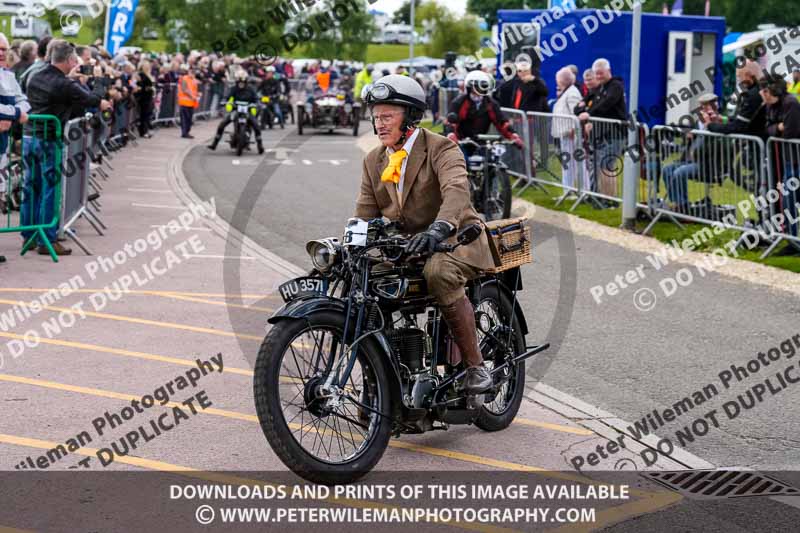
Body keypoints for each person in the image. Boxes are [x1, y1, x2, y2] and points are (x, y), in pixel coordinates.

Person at [357, 75, 496, 394]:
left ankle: (476, 368)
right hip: (409, 247)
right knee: (361, 280)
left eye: (387, 116)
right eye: (376, 116)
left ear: (410, 117)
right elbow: (364, 212)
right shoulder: (374, 160)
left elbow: (457, 191)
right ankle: (380, 377)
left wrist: (441, 227)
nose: (379, 123)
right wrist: (350, 244)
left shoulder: (441, 148)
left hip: (456, 238)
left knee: (438, 273)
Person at [23, 39, 112, 256]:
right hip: (49, 140)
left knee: (30, 187)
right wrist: (100, 79)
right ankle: (47, 239)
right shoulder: (64, 84)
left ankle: (29, 236)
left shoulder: (35, 74)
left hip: (29, 137)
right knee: (50, 189)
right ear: (70, 60)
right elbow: (93, 100)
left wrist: (70, 79)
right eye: (74, 60)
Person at [576, 58, 627, 199]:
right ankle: (602, 197)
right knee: (600, 166)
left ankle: (611, 199)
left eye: (601, 73)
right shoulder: (600, 88)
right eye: (596, 74)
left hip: (614, 134)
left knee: (607, 166)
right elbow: (590, 105)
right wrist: (586, 111)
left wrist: (589, 113)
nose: (598, 76)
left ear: (608, 71)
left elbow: (607, 103)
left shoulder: (615, 86)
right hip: (601, 133)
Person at [446, 70, 524, 161]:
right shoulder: (459, 102)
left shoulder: (491, 103)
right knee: (461, 163)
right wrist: (451, 134)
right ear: (470, 88)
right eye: (477, 87)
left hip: (481, 142)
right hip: (461, 141)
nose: (480, 90)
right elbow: (451, 122)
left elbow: (501, 122)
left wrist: (513, 135)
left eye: (484, 87)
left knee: (492, 164)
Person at [761, 74, 800, 250]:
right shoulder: (771, 106)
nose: (762, 93)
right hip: (788, 160)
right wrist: (778, 127)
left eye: (765, 90)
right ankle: (791, 239)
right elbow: (767, 128)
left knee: (790, 199)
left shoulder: (791, 103)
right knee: (787, 200)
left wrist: (777, 129)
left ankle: (793, 239)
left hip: (796, 159)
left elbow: (790, 133)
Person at [0, 33, 29, 264]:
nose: (1, 53)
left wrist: (17, 113)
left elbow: (23, 100)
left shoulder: (8, 76)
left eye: (4, 49)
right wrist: (16, 114)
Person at [207, 69, 264, 154]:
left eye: (243, 81)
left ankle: (260, 145)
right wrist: (224, 101)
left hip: (247, 110)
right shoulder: (233, 88)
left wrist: (257, 103)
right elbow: (227, 96)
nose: (241, 83)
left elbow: (256, 98)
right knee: (222, 124)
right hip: (236, 110)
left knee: (256, 125)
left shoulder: (251, 89)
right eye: (239, 81)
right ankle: (214, 143)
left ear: (246, 81)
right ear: (237, 81)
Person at [551, 67, 588, 191]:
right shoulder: (568, 91)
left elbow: (576, 113)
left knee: (576, 162)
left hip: (571, 133)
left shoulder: (572, 92)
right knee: (569, 163)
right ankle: (569, 189)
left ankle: (582, 189)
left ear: (561, 81)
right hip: (565, 133)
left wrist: (574, 129)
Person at [707, 59, 765, 138]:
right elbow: (742, 120)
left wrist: (710, 125)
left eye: (740, 76)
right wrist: (724, 119)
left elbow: (738, 127)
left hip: (757, 143)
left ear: (748, 75)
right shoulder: (759, 89)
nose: (740, 81)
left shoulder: (753, 94)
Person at [134, 59, 156, 138]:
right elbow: (141, 86)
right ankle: (143, 131)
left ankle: (146, 130)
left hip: (148, 97)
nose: (148, 67)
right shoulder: (141, 74)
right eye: (146, 66)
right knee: (144, 114)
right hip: (143, 97)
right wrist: (149, 88)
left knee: (147, 114)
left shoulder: (148, 74)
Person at [177, 65, 200, 139]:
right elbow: (184, 89)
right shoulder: (185, 78)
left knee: (189, 119)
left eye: (194, 72)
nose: (193, 73)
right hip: (184, 103)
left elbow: (193, 90)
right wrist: (192, 96)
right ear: (189, 71)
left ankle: (187, 132)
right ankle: (184, 133)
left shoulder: (194, 80)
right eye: (191, 71)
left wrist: (197, 95)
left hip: (191, 103)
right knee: (185, 119)